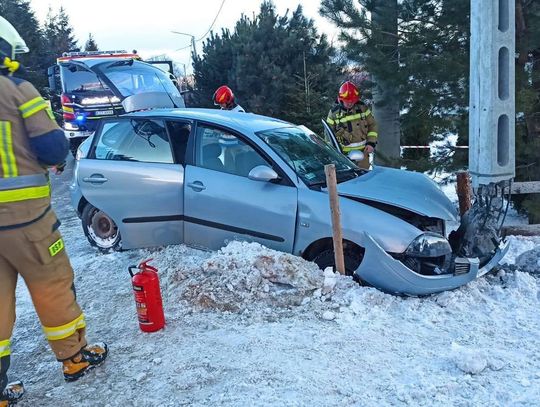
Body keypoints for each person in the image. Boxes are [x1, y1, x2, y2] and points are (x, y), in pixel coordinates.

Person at [0, 17, 107, 406]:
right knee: (53, 285)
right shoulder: (17, 91)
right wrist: (54, 153)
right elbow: (51, 148)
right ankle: (74, 358)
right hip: (25, 219)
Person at [326, 81, 378, 169]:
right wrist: (333, 153)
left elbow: (373, 125)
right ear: (341, 99)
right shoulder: (333, 113)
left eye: (352, 101)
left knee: (364, 175)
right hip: (343, 156)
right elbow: (328, 135)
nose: (350, 103)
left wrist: (371, 143)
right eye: (347, 101)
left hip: (363, 153)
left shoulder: (362, 108)